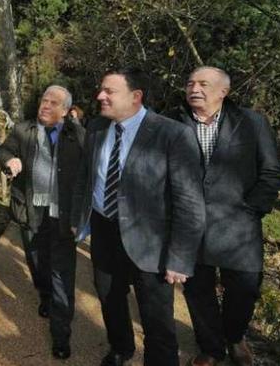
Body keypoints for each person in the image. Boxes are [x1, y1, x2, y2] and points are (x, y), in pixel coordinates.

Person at [71, 68, 205, 366]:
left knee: (156, 318)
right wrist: (77, 218)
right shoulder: (95, 128)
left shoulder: (172, 134)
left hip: (151, 242)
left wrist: (180, 258)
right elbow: (85, 177)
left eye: (109, 91)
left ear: (136, 97)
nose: (99, 96)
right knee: (109, 298)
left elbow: (189, 202)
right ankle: (121, 348)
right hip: (104, 231)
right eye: (101, 89)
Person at [171, 67, 280, 366]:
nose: (194, 88)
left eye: (203, 84)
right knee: (197, 291)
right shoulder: (173, 122)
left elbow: (272, 171)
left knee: (245, 289)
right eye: (190, 82)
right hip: (190, 227)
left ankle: (235, 336)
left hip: (239, 228)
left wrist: (252, 209)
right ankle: (211, 348)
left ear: (223, 91)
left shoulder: (251, 122)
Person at [0, 85, 84, 359]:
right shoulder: (23, 130)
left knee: (62, 275)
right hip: (31, 211)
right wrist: (9, 161)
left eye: (53, 102)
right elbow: (3, 150)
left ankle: (61, 335)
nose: (45, 105)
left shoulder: (77, 136)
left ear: (66, 111)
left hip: (62, 217)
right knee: (37, 262)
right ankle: (44, 294)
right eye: (43, 100)